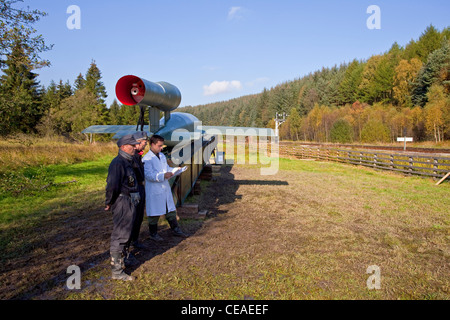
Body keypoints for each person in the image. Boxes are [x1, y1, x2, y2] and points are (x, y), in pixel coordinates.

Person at [105, 134, 141, 281]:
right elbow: (112, 186)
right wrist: (109, 201)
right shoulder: (118, 163)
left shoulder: (128, 161)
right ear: (123, 147)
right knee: (120, 234)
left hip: (130, 201)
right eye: (132, 145)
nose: (135, 147)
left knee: (127, 233)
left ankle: (124, 259)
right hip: (122, 202)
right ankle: (117, 271)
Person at [143, 134, 187, 241]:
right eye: (159, 146)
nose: (161, 148)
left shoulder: (162, 156)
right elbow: (149, 175)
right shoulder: (146, 159)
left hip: (164, 188)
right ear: (152, 145)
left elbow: (166, 168)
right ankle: (153, 234)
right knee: (154, 212)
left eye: (162, 145)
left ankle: (175, 229)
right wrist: (163, 176)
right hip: (154, 189)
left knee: (170, 209)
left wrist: (175, 170)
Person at [129, 131, 148, 250]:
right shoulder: (131, 157)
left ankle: (135, 240)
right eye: (145, 142)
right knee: (133, 217)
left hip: (141, 188)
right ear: (138, 142)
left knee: (139, 216)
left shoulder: (138, 156)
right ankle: (129, 242)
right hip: (134, 189)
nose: (146, 144)